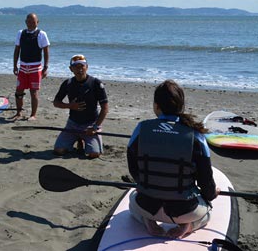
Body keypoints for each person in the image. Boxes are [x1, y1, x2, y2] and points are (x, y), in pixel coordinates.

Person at [127, 80, 219, 238]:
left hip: (146, 206)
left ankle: (148, 220)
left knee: (132, 200)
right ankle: (189, 225)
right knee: (208, 212)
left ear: (156, 106)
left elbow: (134, 169)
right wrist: (211, 194)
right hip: (185, 211)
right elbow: (206, 180)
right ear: (181, 106)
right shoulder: (195, 135)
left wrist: (145, 185)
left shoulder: (140, 129)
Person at [52, 54, 108, 158]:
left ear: (87, 67)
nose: (80, 69)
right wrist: (70, 106)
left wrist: (95, 127)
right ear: (71, 69)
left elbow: (105, 108)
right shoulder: (67, 83)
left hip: (91, 125)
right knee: (58, 151)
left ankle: (85, 140)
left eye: (82, 66)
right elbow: (56, 102)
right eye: (76, 67)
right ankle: (78, 139)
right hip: (72, 124)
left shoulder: (95, 83)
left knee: (93, 154)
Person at [12, 13, 50, 120]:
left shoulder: (41, 34)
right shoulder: (21, 33)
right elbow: (17, 50)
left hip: (36, 68)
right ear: (26, 22)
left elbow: (46, 51)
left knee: (34, 92)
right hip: (23, 67)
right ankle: (19, 113)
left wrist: (45, 68)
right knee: (19, 91)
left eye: (33, 22)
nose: (31, 24)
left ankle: (33, 115)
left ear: (37, 22)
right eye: (29, 22)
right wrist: (15, 66)